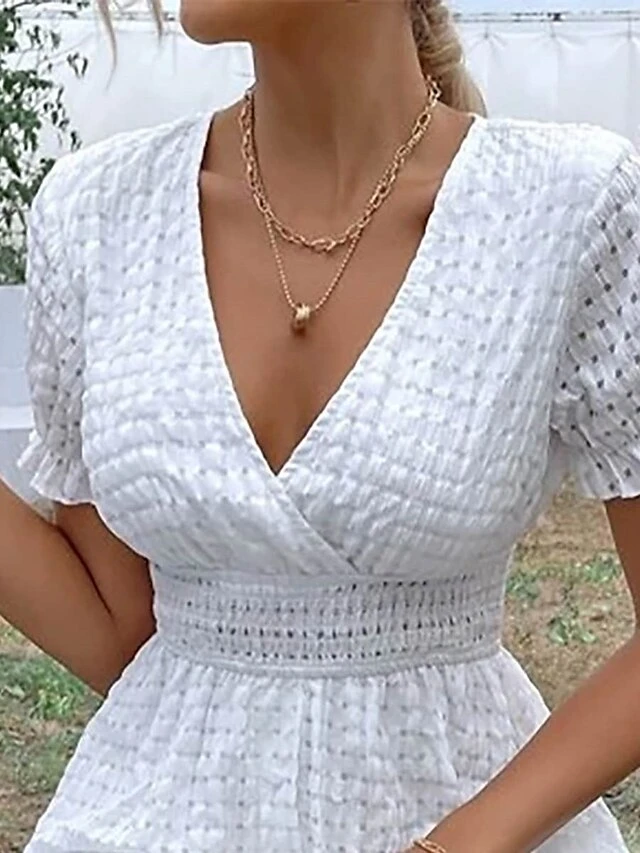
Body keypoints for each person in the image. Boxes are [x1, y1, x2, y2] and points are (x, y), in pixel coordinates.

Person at [1, 0, 640, 849]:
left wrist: (459, 843)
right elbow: (128, 635)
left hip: (464, 811)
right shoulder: (95, 214)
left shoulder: (565, 208)